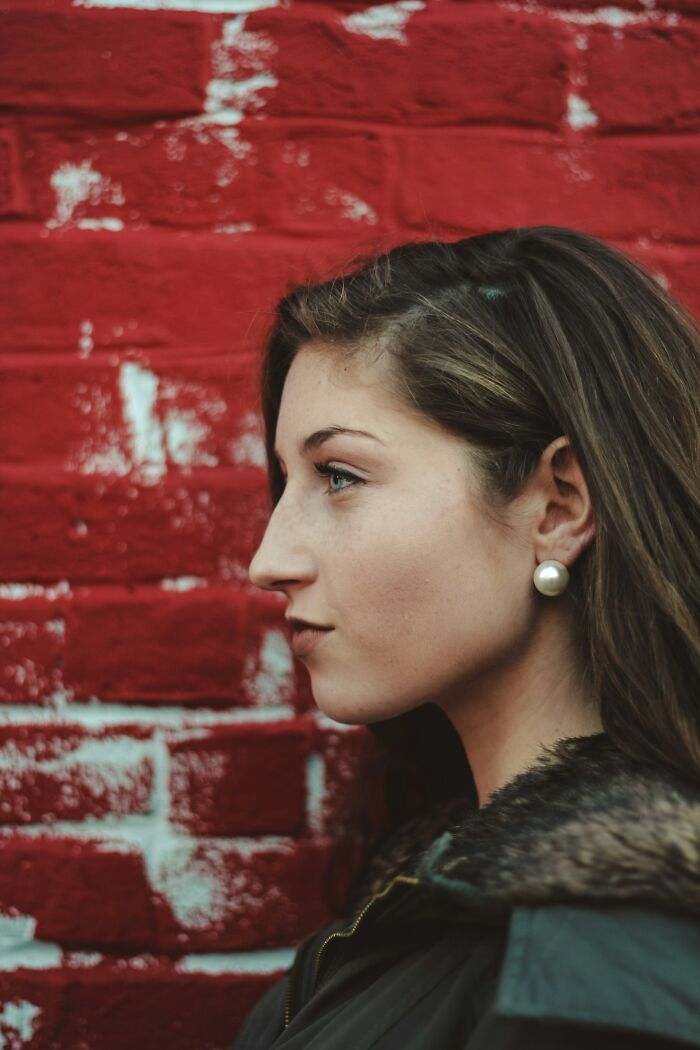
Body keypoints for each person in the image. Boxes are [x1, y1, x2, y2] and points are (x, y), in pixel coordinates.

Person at [233, 225, 700, 1049]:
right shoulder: (450, 895)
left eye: (339, 476)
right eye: (286, 482)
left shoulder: (595, 977)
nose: (270, 561)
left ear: (558, 508)